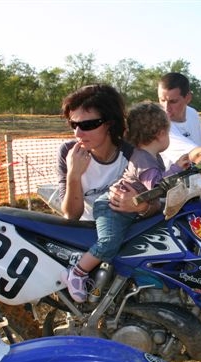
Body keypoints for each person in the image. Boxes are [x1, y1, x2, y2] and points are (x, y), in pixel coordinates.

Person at [56, 83, 149, 362]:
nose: (78, 132)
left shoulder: (131, 154)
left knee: (113, 313)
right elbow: (69, 214)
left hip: (124, 242)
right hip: (84, 240)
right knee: (79, 315)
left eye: (88, 124)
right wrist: (74, 175)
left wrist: (140, 204)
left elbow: (155, 200)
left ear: (109, 123)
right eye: (74, 124)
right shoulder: (70, 152)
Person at [62, 101, 189, 303]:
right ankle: (77, 272)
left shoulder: (149, 156)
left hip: (125, 209)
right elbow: (157, 187)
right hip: (111, 209)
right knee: (109, 243)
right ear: (160, 133)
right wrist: (177, 170)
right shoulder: (144, 160)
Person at [157, 72, 201, 168]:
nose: (166, 108)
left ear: (188, 98)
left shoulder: (193, 114)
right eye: (162, 100)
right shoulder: (159, 123)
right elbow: (197, 155)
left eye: (173, 101)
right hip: (168, 177)